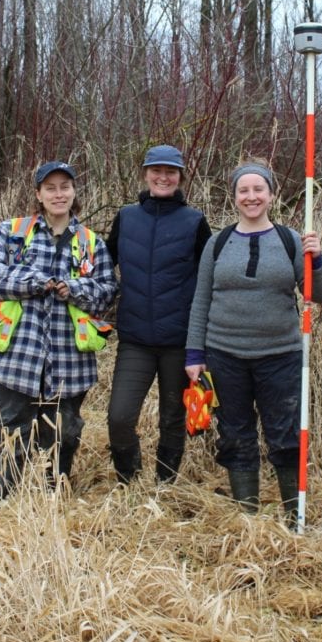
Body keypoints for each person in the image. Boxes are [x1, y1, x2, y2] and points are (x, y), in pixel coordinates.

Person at [184, 161, 322, 527]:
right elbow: (201, 299)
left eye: (258, 189)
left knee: (285, 436)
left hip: (280, 355)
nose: (251, 197)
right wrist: (194, 353)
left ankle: (293, 517)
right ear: (234, 197)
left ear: (271, 194)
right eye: (243, 191)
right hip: (224, 355)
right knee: (235, 436)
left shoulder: (291, 241)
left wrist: (317, 259)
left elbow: (319, 294)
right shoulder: (217, 243)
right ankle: (248, 518)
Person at [0, 160, 118, 499]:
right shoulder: (12, 233)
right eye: (50, 188)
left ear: (74, 192)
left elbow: (109, 292)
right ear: (38, 194)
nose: (58, 194)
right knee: (11, 429)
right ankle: (0, 499)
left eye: (64, 187)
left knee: (65, 432)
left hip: (70, 361)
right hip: (16, 357)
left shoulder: (91, 243)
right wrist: (34, 283)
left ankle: (53, 495)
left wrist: (75, 289)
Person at [104, 145, 212, 485]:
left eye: (171, 172)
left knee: (172, 419)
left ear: (181, 177)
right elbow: (102, 267)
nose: (163, 177)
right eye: (157, 170)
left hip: (179, 342)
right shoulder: (126, 217)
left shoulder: (195, 222)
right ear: (146, 174)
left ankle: (165, 485)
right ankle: (129, 481)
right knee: (119, 417)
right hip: (135, 339)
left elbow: (211, 279)